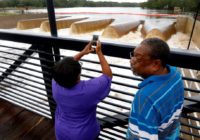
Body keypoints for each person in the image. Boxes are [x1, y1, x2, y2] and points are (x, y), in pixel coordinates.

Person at [52, 40, 112, 140]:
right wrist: (99, 52)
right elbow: (107, 76)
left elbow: (63, 69)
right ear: (78, 74)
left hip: (61, 131)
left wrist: (82, 53)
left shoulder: (56, 82)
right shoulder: (88, 90)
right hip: (84, 135)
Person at [127, 38, 184, 140]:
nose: (132, 60)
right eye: (133, 54)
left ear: (156, 64)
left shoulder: (145, 98)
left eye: (138, 57)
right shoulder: (176, 75)